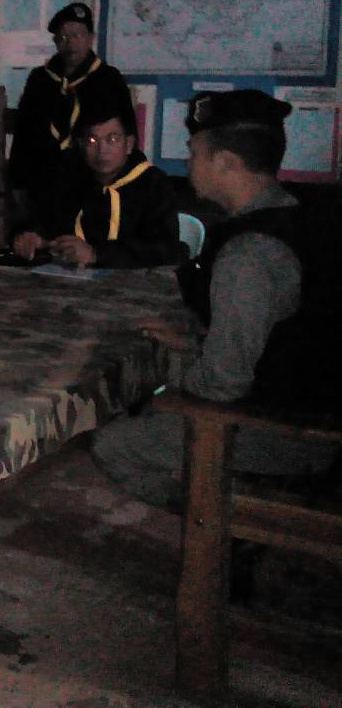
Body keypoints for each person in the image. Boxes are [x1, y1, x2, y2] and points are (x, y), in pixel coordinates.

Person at [92, 90, 338, 509]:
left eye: (194, 153)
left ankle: (226, 522)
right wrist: (198, 342)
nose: (188, 164)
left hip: (292, 429)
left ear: (225, 162)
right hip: (307, 404)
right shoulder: (296, 215)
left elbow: (223, 384)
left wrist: (162, 395)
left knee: (114, 443)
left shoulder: (249, 253)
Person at [11, 98, 183, 268]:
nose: (102, 150)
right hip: (68, 280)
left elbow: (167, 250)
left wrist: (95, 254)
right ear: (81, 144)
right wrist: (31, 238)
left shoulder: (154, 184)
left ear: (129, 144)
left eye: (113, 139)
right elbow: (38, 220)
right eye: (92, 141)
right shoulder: (67, 176)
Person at [7, 2, 134, 221]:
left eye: (77, 35)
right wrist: (17, 181)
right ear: (56, 42)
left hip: (92, 179)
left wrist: (122, 181)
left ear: (91, 38)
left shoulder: (109, 79)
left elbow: (128, 133)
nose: (71, 43)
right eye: (63, 37)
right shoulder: (40, 79)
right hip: (43, 179)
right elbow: (23, 132)